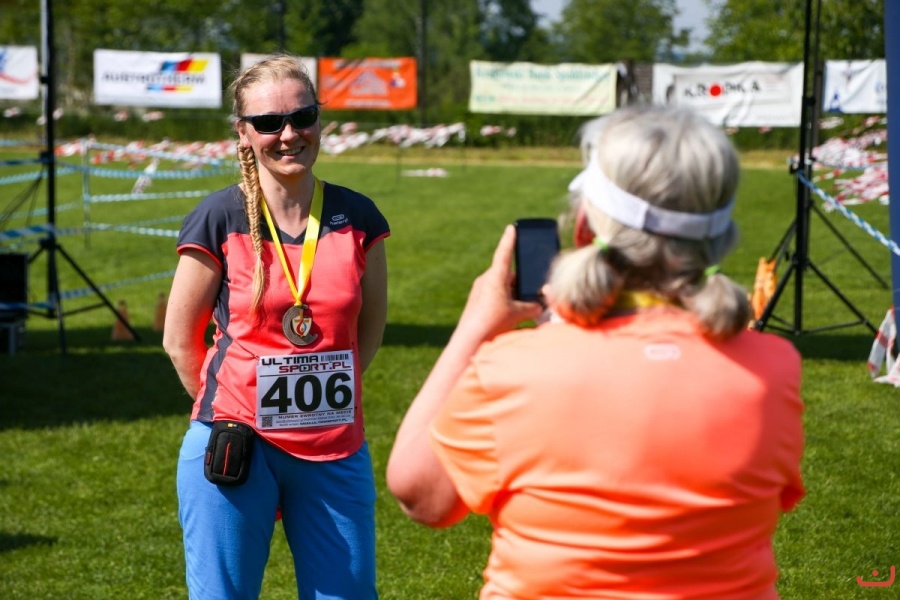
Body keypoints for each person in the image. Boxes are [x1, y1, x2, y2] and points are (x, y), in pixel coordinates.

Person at [387, 105, 804, 599]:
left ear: (584, 227)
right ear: (718, 238)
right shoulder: (774, 369)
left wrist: (477, 324)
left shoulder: (514, 368)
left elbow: (421, 495)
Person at [163, 54, 389, 600]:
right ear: (243, 133)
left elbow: (369, 328)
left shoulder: (359, 217)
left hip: (334, 446)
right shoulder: (218, 217)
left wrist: (316, 401)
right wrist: (233, 408)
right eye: (268, 123)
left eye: (302, 117)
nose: (288, 135)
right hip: (238, 446)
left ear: (319, 119)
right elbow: (179, 339)